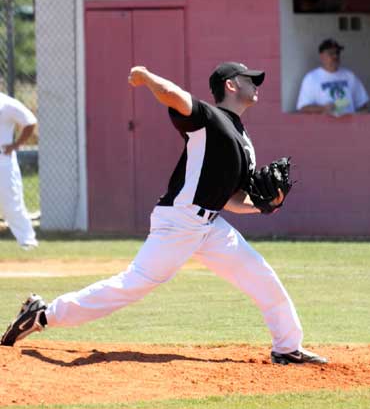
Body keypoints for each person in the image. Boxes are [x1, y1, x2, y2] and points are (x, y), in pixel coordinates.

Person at [1, 62, 327, 365]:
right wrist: (146, 77)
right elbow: (174, 96)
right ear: (230, 85)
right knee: (131, 285)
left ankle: (287, 347)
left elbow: (231, 198)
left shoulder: (244, 140)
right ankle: (43, 315)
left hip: (210, 224)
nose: (256, 85)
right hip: (179, 221)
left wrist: (265, 205)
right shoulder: (209, 120)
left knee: (259, 274)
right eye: (248, 80)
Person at [0, 92, 38, 249]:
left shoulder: (6, 103)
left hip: (3, 159)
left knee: (11, 203)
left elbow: (30, 121)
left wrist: (16, 145)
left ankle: (27, 242)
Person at [296, 38, 369, 116]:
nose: (335, 56)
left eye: (337, 53)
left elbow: (363, 105)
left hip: (349, 125)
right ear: (321, 56)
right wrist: (323, 108)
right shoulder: (311, 78)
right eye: (331, 53)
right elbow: (302, 108)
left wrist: (357, 118)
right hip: (324, 126)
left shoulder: (350, 76)